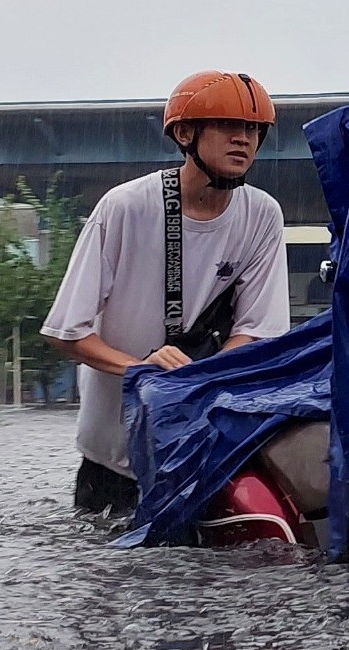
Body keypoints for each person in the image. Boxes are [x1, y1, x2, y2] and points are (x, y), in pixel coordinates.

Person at [41, 70, 291, 515]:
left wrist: (198, 384)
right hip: (115, 452)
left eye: (254, 129)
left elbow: (258, 329)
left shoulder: (263, 215)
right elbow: (65, 332)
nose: (245, 139)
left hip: (201, 448)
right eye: (229, 126)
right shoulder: (125, 208)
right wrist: (142, 371)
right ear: (185, 133)